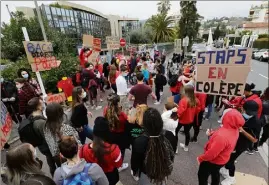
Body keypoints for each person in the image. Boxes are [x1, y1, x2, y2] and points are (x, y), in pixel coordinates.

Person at [197, 109, 245, 185]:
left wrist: (201, 158)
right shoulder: (235, 129)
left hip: (213, 161)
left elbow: (212, 154)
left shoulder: (221, 136)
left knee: (202, 175)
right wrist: (213, 134)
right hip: (223, 159)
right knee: (215, 173)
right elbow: (223, 133)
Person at [220, 101, 260, 185]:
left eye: (251, 113)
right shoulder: (240, 114)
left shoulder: (256, 122)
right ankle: (225, 169)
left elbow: (254, 140)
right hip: (233, 140)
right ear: (243, 108)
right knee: (226, 157)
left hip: (242, 144)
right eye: (247, 112)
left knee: (230, 160)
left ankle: (231, 178)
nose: (249, 114)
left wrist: (242, 131)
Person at [131, 108, 175, 184]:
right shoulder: (170, 135)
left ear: (144, 124)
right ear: (160, 122)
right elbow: (171, 155)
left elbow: (135, 161)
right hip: (163, 172)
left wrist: (135, 171)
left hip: (146, 173)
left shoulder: (139, 141)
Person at [80, 117, 123, 185]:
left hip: (93, 176)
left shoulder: (83, 149)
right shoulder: (114, 149)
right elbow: (119, 164)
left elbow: (82, 163)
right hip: (110, 176)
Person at [25, 97, 56, 175]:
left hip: (42, 146)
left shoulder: (31, 117)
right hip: (48, 147)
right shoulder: (40, 122)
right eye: (42, 103)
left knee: (51, 163)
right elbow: (48, 138)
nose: (44, 103)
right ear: (38, 107)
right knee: (55, 164)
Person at [44, 103, 81, 167]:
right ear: (60, 114)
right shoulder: (65, 128)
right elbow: (76, 141)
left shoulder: (46, 127)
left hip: (57, 157)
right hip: (70, 156)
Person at [103, 93, 129, 172]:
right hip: (120, 135)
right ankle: (119, 165)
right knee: (121, 150)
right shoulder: (121, 114)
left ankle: (112, 161)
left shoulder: (105, 110)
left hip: (110, 134)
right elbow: (127, 121)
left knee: (111, 149)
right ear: (117, 102)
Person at [176, 85, 200, 152]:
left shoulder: (183, 100)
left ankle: (175, 148)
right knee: (187, 133)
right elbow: (198, 110)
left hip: (181, 120)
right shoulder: (196, 100)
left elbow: (180, 112)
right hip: (190, 120)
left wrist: (176, 116)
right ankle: (186, 147)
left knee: (175, 131)